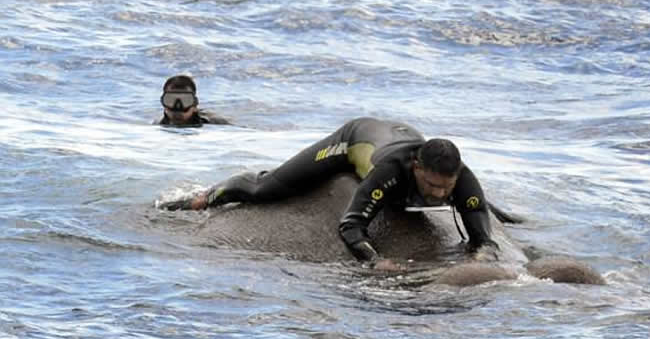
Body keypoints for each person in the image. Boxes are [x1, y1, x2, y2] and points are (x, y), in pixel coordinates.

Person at [160, 117, 498, 269]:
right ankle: (204, 196)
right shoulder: (390, 172)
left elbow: (483, 237)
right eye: (432, 186)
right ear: (416, 169)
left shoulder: (461, 178)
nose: (439, 195)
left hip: (401, 134)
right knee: (265, 189)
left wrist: (482, 255)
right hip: (354, 140)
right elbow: (350, 227)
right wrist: (376, 261)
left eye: (446, 188)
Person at [155, 74, 230, 127]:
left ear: (195, 105)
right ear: (163, 104)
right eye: (170, 100)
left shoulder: (216, 124)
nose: (178, 108)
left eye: (186, 101)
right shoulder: (157, 125)